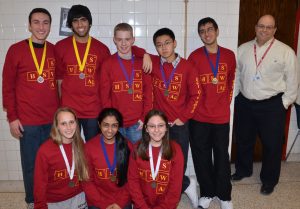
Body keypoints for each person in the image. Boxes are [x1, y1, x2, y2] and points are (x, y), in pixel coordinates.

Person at [232, 14, 298, 195]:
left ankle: (269, 180)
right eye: (261, 26)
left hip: (272, 106)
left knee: (272, 145)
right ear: (255, 27)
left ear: (275, 30)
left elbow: (293, 82)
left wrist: (283, 104)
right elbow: (237, 75)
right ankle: (243, 170)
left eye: (269, 27)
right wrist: (236, 97)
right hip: (245, 103)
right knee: (244, 140)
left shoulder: (286, 52)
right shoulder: (243, 49)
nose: (264, 30)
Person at [2, 8, 59, 209]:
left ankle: (48, 198)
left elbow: (60, 83)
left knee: (52, 163)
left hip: (52, 121)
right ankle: (32, 200)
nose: (41, 27)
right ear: (29, 25)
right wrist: (12, 118)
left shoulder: (54, 50)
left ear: (50, 26)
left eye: (45, 22)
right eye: (36, 22)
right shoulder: (16, 50)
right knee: (31, 166)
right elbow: (7, 86)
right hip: (28, 122)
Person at [149, 28, 200, 207]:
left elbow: (196, 95)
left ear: (175, 43)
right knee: (160, 162)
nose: (163, 48)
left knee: (179, 163)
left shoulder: (187, 66)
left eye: (167, 43)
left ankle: (180, 190)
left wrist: (183, 117)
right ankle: (186, 183)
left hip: (179, 125)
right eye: (159, 45)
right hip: (159, 127)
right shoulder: (154, 64)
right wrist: (145, 55)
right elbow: (134, 51)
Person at [188, 17, 236, 209]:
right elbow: (191, 86)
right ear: (200, 35)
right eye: (202, 31)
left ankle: (224, 195)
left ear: (217, 31)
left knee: (222, 156)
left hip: (221, 116)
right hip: (199, 116)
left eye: (209, 29)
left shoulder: (229, 55)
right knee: (201, 156)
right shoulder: (194, 57)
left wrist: (226, 100)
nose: (206, 34)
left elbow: (231, 80)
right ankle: (207, 192)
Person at [55, 4, 111, 141]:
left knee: (93, 149)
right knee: (71, 150)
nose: (80, 24)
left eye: (83, 19)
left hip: (93, 110)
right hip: (69, 111)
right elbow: (59, 79)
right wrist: (62, 108)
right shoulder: (60, 47)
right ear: (70, 24)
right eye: (75, 20)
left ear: (90, 22)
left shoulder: (102, 49)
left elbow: (106, 83)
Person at [100, 23, 153, 144]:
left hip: (137, 124)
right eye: (119, 39)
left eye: (127, 39)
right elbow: (105, 96)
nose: (123, 43)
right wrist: (110, 121)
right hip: (116, 124)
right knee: (119, 160)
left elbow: (148, 93)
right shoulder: (108, 64)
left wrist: (145, 117)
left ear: (133, 40)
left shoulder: (143, 62)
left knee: (137, 159)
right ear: (114, 40)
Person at [34, 107, 89, 209]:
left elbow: (86, 176)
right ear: (57, 126)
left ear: (76, 124)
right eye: (63, 123)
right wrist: (40, 206)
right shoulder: (45, 151)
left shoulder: (80, 144)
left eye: (71, 122)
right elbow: (39, 184)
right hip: (54, 201)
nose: (69, 127)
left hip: (78, 197)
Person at [128, 109, 184, 209]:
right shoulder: (136, 149)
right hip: (142, 205)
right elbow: (133, 182)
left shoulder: (176, 150)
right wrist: (142, 206)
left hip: (167, 206)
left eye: (160, 125)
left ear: (166, 127)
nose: (156, 130)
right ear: (146, 128)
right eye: (152, 126)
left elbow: (175, 188)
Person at [82, 108, 132, 209]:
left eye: (114, 125)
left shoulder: (128, 146)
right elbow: (87, 181)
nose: (110, 130)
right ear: (99, 124)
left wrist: (119, 203)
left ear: (118, 127)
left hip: (122, 200)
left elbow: (131, 180)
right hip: (97, 201)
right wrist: (103, 204)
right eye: (106, 125)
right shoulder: (88, 147)